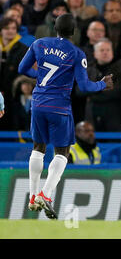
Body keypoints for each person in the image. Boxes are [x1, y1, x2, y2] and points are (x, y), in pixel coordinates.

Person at [18, 13, 113, 219]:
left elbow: (22, 68)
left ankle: (33, 195)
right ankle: (46, 193)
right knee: (62, 152)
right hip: (59, 107)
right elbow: (86, 85)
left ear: (55, 28)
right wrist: (103, 83)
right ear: (74, 31)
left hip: (38, 103)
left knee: (38, 148)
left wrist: (40, 75)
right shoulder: (77, 53)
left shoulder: (39, 44)